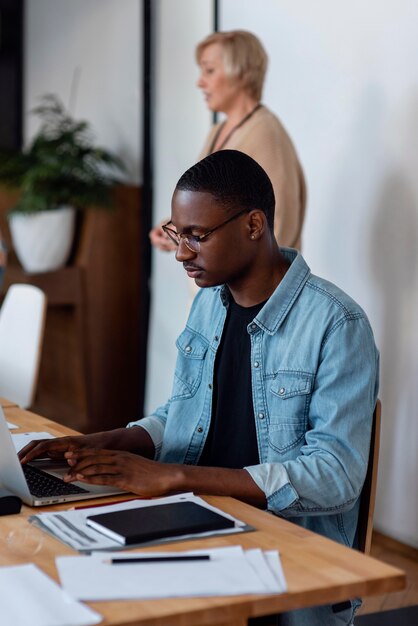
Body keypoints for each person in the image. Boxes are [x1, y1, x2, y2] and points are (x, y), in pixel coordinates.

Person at [20, 151, 378, 626]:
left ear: (254, 225)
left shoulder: (337, 323)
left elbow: (336, 475)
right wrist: (104, 442)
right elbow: (184, 415)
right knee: (51, 575)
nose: (183, 252)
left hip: (282, 560)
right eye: (177, 233)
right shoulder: (209, 304)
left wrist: (180, 478)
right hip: (193, 523)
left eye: (197, 236)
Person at [150, 29, 306, 254]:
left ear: (240, 73)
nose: (200, 82)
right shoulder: (217, 131)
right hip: (215, 288)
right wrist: (179, 232)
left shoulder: (266, 134)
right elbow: (213, 212)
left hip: (251, 290)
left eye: (209, 71)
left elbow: (279, 225)